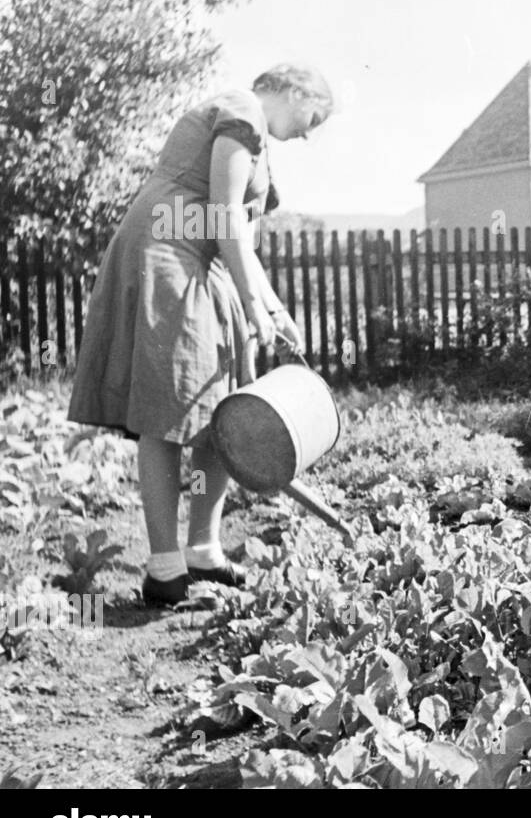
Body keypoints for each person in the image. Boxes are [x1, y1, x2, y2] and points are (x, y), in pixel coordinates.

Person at [67, 64, 333, 606]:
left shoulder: (255, 138)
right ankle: (165, 569)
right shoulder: (241, 114)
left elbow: (238, 238)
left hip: (201, 263)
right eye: (313, 118)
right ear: (295, 90)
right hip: (166, 255)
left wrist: (273, 310)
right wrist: (254, 308)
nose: (309, 133)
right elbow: (223, 216)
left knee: (222, 407)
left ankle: (203, 551)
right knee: (165, 411)